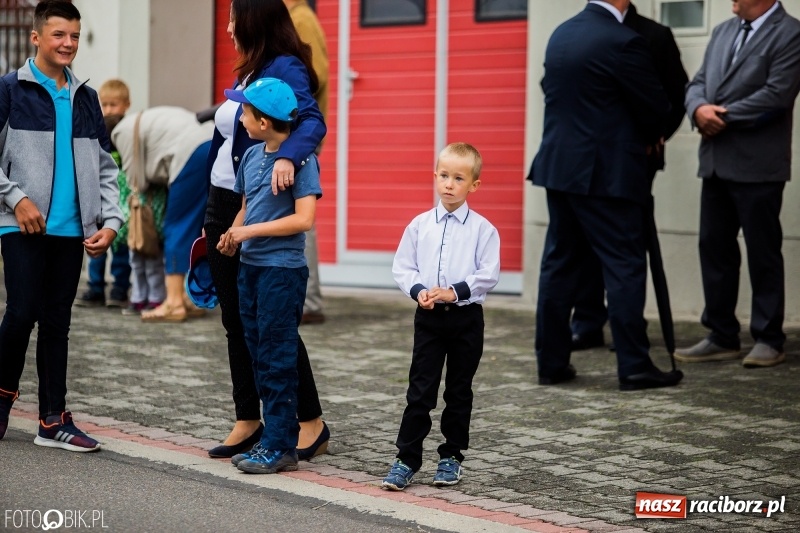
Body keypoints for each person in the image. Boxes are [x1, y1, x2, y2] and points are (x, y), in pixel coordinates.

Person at [527, 0, 682, 391]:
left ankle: (551, 363)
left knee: (559, 266)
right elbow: (657, 111)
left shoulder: (562, 33)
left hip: (560, 168)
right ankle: (633, 365)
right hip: (606, 174)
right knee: (624, 264)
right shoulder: (624, 41)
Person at [204, 0, 328, 460]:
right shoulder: (249, 69)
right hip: (227, 203)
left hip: (254, 214)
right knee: (238, 321)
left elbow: (308, 120)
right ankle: (249, 418)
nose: (229, 26)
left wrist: (284, 157)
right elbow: (224, 139)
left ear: (253, 20)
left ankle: (307, 422)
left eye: (234, 17)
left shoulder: (282, 68)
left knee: (270, 328)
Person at [0, 0, 123, 450]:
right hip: (22, 225)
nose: (68, 43)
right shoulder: (10, 90)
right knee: (21, 313)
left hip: (73, 231)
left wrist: (111, 221)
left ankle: (53, 420)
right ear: (36, 37)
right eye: (59, 35)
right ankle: (2, 397)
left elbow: (107, 168)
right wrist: (17, 199)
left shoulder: (87, 98)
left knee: (57, 321)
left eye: (74, 35)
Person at [676, 0, 800, 368]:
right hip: (715, 162)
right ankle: (721, 334)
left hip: (758, 164)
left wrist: (720, 117)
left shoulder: (791, 33)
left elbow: (777, 95)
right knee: (714, 248)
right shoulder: (723, 31)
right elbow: (697, 83)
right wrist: (698, 109)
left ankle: (769, 338)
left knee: (763, 251)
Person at [569, 1, 689, 351]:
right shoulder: (581, 29)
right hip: (585, 160)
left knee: (627, 246)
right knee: (586, 243)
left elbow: (675, 95)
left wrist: (656, 136)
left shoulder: (655, 34)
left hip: (633, 161)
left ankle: (628, 327)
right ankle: (587, 322)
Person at [217, 77, 321, 474]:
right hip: (251, 269)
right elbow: (248, 205)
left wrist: (249, 232)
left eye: (244, 112)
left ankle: (280, 447)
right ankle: (272, 439)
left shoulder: (303, 161)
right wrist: (233, 234)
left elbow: (305, 219)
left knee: (278, 359)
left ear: (263, 121)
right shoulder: (251, 156)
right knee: (259, 355)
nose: (240, 117)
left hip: (282, 273)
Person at [381, 142, 499, 491]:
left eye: (458, 178)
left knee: (459, 390)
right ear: (435, 176)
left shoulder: (483, 229)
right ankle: (406, 458)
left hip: (466, 319)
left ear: (473, 185)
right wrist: (418, 290)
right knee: (421, 390)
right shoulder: (420, 226)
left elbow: (489, 273)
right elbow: (403, 266)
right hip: (429, 319)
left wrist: (455, 290)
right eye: (444, 175)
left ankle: (451, 457)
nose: (449, 184)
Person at [112, 106, 214, 321]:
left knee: (177, 225)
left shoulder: (119, 132)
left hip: (190, 154)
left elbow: (136, 180)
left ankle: (174, 302)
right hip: (211, 144)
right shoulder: (142, 118)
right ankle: (188, 297)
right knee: (195, 228)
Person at [284, 0, 329, 326]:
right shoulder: (296, 17)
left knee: (303, 214)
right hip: (295, 136)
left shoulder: (301, 18)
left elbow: (317, 75)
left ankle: (309, 301)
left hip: (299, 137)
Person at [74, 79, 132, 308]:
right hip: (99, 197)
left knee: (121, 246)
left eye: (113, 105)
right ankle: (95, 287)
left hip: (124, 197)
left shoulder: (126, 132)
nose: (108, 110)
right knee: (94, 241)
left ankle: (120, 288)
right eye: (105, 105)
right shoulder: (99, 129)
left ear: (126, 105)